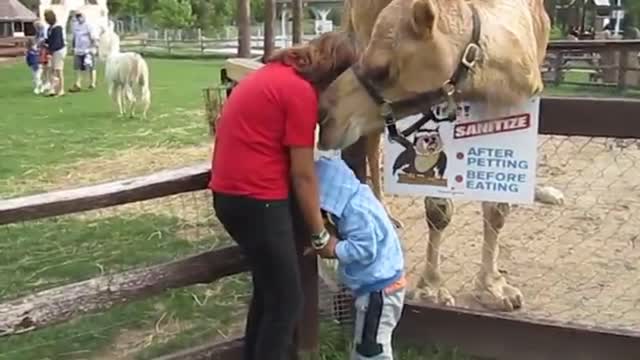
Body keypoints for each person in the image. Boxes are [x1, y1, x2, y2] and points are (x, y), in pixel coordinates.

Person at [209, 31, 356, 360]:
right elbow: (303, 174)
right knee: (288, 301)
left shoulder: (276, 74)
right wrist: (319, 235)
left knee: (269, 293)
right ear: (337, 75)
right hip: (257, 200)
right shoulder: (300, 93)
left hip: (232, 196)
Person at [313, 156, 406, 360]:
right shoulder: (357, 198)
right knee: (367, 343)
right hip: (379, 286)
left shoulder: (356, 212)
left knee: (372, 349)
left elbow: (365, 248)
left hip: (379, 291)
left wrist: (335, 248)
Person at [69, 11, 98, 92]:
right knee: (78, 67)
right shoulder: (75, 26)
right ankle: (78, 83)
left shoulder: (88, 26)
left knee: (91, 67)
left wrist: (93, 47)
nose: (79, 18)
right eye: (77, 17)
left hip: (88, 50)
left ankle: (93, 83)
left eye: (80, 16)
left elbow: (93, 37)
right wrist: (73, 47)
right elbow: (74, 37)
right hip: (78, 50)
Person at [43, 9, 66, 97]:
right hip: (53, 50)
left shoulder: (57, 28)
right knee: (51, 70)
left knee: (59, 70)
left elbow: (57, 42)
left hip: (59, 51)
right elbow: (50, 40)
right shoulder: (50, 28)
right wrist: (45, 42)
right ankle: (53, 89)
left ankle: (61, 89)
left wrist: (50, 52)